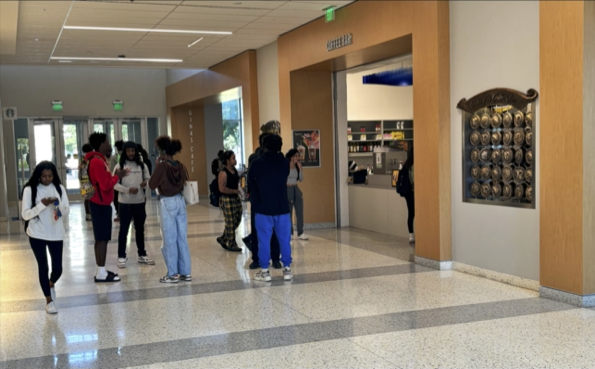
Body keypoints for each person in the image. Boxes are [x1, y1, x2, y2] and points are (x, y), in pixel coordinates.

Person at [21, 161, 69, 314]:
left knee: (58, 269)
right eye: (44, 176)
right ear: (38, 176)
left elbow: (65, 211)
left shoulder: (59, 189)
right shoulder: (30, 190)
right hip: (37, 234)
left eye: (50, 176)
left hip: (56, 233)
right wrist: (41, 204)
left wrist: (57, 204)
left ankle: (51, 282)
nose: (47, 179)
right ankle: (49, 301)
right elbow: (25, 214)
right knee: (43, 266)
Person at [248, 134, 293, 282]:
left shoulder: (256, 163)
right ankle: (287, 269)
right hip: (282, 207)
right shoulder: (285, 163)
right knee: (284, 240)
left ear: (264, 146)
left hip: (263, 208)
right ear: (280, 146)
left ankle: (265, 271)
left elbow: (250, 184)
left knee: (264, 240)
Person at [87, 132, 129, 283]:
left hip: (98, 202)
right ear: (101, 144)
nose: (110, 144)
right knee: (103, 239)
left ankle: (101, 270)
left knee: (100, 238)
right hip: (100, 204)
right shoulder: (97, 162)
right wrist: (118, 175)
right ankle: (101, 272)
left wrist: (115, 175)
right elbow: (105, 185)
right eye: (107, 142)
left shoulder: (97, 160)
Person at [148, 135, 191, 284]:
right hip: (181, 202)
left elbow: (152, 185)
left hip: (168, 202)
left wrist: (157, 165)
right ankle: (185, 272)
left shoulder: (162, 166)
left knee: (169, 239)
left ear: (163, 152)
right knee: (182, 238)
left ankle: (172, 274)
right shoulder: (179, 165)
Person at [244, 132, 282, 270]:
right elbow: (250, 178)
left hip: (274, 199)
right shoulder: (254, 158)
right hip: (258, 200)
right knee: (256, 230)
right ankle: (256, 258)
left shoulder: (278, 158)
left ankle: (275, 258)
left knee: (274, 231)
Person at [114, 141, 154, 268]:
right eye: (128, 151)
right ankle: (121, 256)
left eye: (133, 151)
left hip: (139, 202)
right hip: (124, 203)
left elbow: (148, 179)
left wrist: (145, 184)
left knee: (140, 230)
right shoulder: (119, 166)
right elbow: (114, 184)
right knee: (123, 230)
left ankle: (142, 254)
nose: (131, 153)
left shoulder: (142, 166)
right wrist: (127, 190)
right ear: (124, 152)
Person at [216, 150, 243, 252]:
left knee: (237, 219)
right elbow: (221, 188)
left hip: (235, 198)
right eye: (233, 158)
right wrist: (234, 191)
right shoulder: (223, 173)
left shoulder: (234, 170)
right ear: (227, 160)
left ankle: (223, 238)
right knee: (230, 221)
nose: (235, 160)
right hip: (227, 199)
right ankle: (232, 244)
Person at [286, 149, 308, 240]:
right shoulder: (285, 166)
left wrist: (301, 169)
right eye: (295, 156)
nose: (297, 158)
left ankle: (300, 232)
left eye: (298, 156)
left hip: (296, 188)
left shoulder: (297, 166)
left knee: (299, 212)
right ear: (291, 157)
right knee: (289, 212)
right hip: (288, 189)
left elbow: (301, 179)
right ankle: (289, 233)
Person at [399, 151, 415, 243]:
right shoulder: (414, 165)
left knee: (411, 213)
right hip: (413, 192)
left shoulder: (406, 164)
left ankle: (411, 235)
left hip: (407, 193)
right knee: (417, 213)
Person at [110, 140, 124, 222]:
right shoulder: (127, 155)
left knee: (116, 198)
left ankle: (119, 214)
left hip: (117, 180)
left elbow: (112, 170)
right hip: (126, 179)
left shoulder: (114, 157)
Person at [81, 144, 93, 221]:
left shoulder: (82, 158)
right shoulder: (90, 158)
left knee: (87, 198)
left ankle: (88, 214)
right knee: (91, 197)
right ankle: (90, 213)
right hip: (89, 180)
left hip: (83, 181)